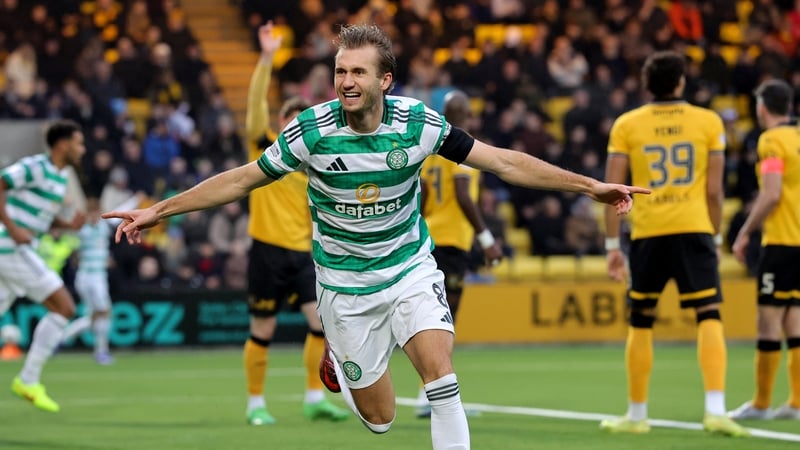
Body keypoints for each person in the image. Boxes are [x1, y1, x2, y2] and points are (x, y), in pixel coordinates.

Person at [104, 24, 647, 450]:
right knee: (382, 419)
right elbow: (245, 177)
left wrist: (589, 186)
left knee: (441, 375)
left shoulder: (418, 124)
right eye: (341, 71)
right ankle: (341, 360)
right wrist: (162, 209)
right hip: (343, 286)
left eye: (358, 72)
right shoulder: (310, 132)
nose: (346, 82)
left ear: (384, 80)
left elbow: (502, 161)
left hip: (409, 266)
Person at [601, 50, 748, 437]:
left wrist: (611, 246)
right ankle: (716, 410)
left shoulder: (627, 124)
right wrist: (714, 236)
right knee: (708, 314)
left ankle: (636, 416)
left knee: (641, 320)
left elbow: (612, 190)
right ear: (681, 82)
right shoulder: (708, 121)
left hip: (648, 232)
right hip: (694, 228)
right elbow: (715, 191)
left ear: (647, 84)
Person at [240, 21, 348, 426]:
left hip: (305, 254)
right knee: (262, 329)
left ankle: (313, 397)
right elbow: (254, 111)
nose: (296, 127)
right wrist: (267, 58)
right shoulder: (262, 147)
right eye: (291, 120)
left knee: (321, 326)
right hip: (266, 250)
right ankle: (255, 404)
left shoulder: (313, 165)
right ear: (281, 122)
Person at [415, 89, 503, 418]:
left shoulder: (432, 151)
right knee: (445, 319)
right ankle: (435, 395)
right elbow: (464, 195)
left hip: (432, 238)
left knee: (435, 317)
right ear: (465, 114)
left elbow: (421, 196)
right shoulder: (462, 147)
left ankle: (430, 392)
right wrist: (487, 237)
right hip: (452, 241)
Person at [0, 119, 86, 412]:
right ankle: (28, 379)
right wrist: (11, 228)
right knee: (64, 307)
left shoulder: (59, 177)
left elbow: (38, 220)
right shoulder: (36, 166)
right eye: (78, 142)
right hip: (10, 247)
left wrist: (65, 225)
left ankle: (28, 379)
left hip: (18, 247)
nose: (83, 149)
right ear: (62, 144)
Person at [728, 79, 800, 420]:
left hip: (782, 242)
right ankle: (797, 402)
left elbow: (771, 194)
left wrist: (744, 232)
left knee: (768, 321)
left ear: (761, 107)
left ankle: (760, 403)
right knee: (795, 320)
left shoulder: (770, 141)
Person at [60, 194, 143, 365]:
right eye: (90, 212)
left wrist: (136, 199)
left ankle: (91, 348)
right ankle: (88, 346)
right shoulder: (82, 230)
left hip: (97, 277)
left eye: (95, 212)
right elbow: (67, 224)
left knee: (97, 316)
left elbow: (122, 212)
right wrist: (67, 207)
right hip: (89, 278)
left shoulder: (104, 226)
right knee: (104, 313)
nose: (93, 216)